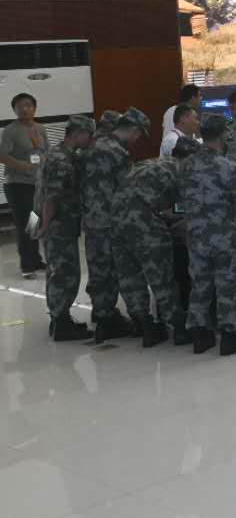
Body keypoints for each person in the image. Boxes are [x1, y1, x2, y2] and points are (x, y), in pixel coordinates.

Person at [180, 115, 236, 355]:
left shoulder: (186, 165)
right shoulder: (230, 167)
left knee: (199, 283)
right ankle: (230, 337)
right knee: (228, 285)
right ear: (224, 135)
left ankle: (200, 336)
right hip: (225, 237)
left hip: (195, 236)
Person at [82, 106, 149, 342]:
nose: (137, 139)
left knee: (99, 271)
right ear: (132, 129)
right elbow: (127, 190)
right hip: (113, 221)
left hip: (92, 220)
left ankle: (103, 318)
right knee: (122, 270)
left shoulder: (92, 146)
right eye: (138, 134)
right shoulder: (118, 153)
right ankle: (140, 321)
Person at [114, 155, 185, 347]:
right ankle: (179, 328)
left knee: (130, 277)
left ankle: (145, 327)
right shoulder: (179, 170)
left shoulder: (149, 164)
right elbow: (185, 205)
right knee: (160, 275)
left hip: (117, 221)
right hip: (144, 222)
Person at [36, 115, 95, 341]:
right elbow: (52, 197)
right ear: (78, 134)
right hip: (59, 225)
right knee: (66, 273)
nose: (90, 139)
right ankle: (61, 323)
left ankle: (59, 318)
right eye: (88, 135)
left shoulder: (54, 153)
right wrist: (45, 225)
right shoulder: (62, 160)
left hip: (56, 223)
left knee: (56, 271)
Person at [1, 92, 47, 277]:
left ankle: (35, 259)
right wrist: (25, 166)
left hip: (36, 183)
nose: (24, 109)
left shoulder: (40, 128)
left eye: (28, 105)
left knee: (33, 222)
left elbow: (46, 151)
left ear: (34, 108)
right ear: (14, 110)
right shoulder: (11, 130)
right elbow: (3, 156)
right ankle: (27, 266)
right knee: (25, 224)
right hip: (17, 184)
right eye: (19, 106)